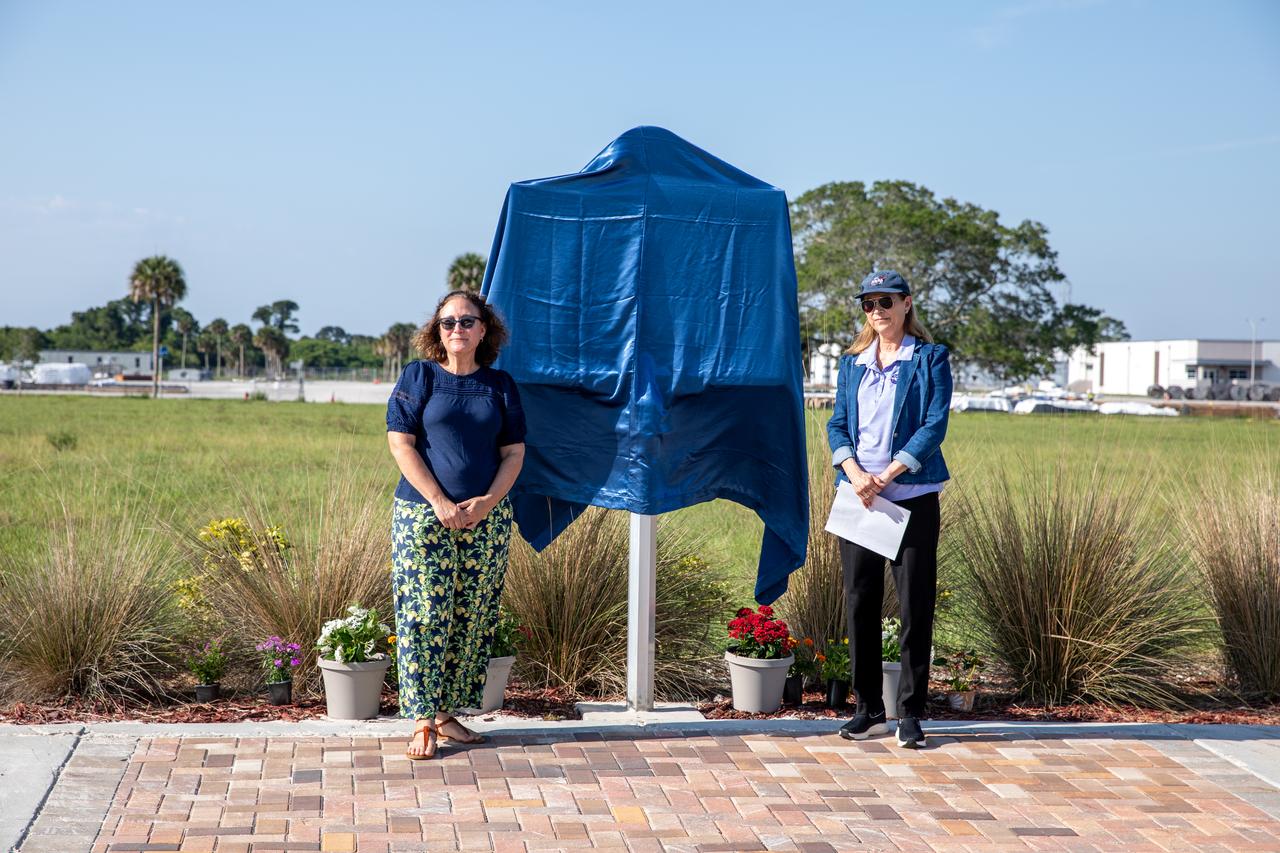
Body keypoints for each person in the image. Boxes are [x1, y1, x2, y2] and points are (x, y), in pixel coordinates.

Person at [386, 290, 526, 760]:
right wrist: (441, 502)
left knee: (472, 615)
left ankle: (446, 715)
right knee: (425, 615)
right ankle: (421, 721)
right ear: (436, 331)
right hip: (423, 516)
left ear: (484, 329)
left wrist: (487, 502)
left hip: (486, 521)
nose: (457, 330)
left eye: (467, 321)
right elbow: (401, 444)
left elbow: (514, 453)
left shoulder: (500, 385)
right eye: (448, 323)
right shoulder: (419, 376)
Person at [826, 270, 952, 749]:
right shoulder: (851, 362)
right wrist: (856, 474)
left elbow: (934, 424)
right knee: (860, 601)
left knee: (915, 604)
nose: (876, 310)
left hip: (911, 495)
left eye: (885, 301)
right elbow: (837, 424)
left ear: (906, 304)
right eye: (868, 303)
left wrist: (890, 473)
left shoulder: (929, 358)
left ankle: (911, 713)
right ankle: (868, 708)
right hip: (860, 497)